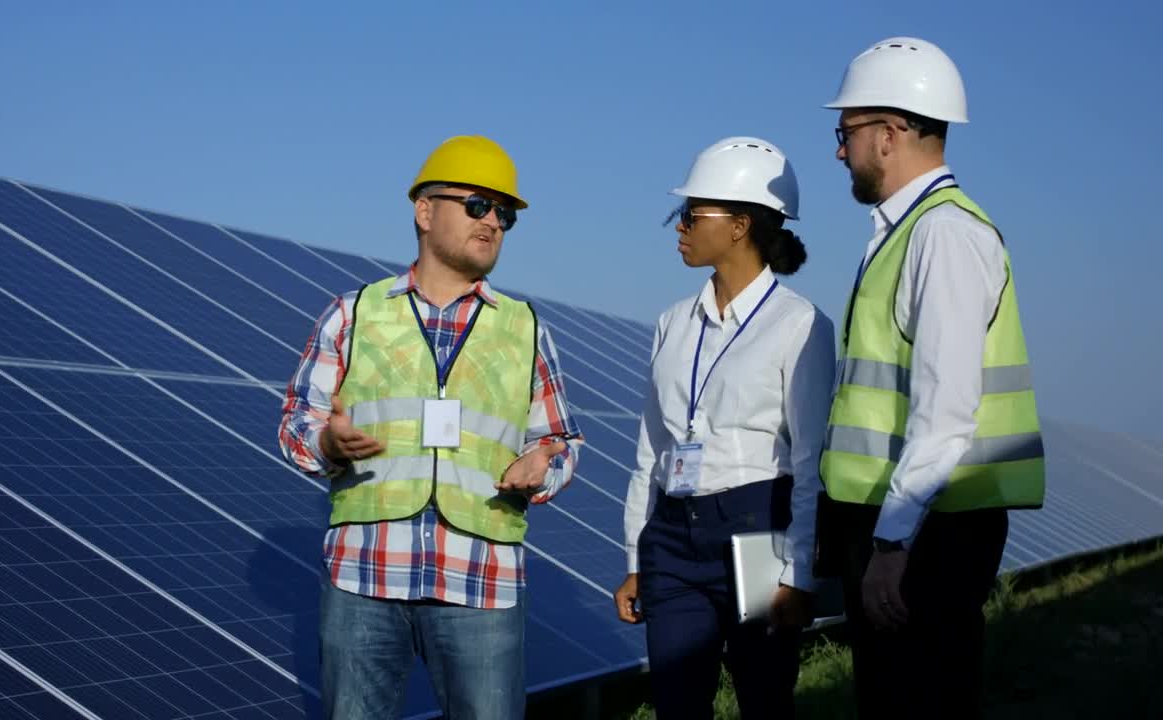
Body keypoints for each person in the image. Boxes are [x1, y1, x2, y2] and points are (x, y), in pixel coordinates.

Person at [278, 134, 584, 720]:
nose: (493, 221)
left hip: (481, 577)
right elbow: (296, 421)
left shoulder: (525, 328)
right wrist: (325, 442)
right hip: (365, 574)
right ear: (424, 211)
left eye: (505, 213)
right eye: (477, 205)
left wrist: (541, 468)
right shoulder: (354, 313)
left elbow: (560, 440)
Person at [818, 37, 1046, 719]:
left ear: (888, 136)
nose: (839, 150)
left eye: (846, 132)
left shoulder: (942, 235)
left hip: (926, 532)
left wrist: (891, 545)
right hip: (905, 521)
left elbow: (946, 410)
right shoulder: (906, 232)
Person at [614, 136, 836, 719]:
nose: (679, 226)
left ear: (739, 225)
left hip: (759, 527)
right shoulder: (671, 323)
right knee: (676, 705)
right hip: (672, 537)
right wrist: (637, 559)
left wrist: (800, 572)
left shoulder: (801, 324)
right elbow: (651, 451)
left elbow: (811, 459)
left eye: (691, 213)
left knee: (764, 700)